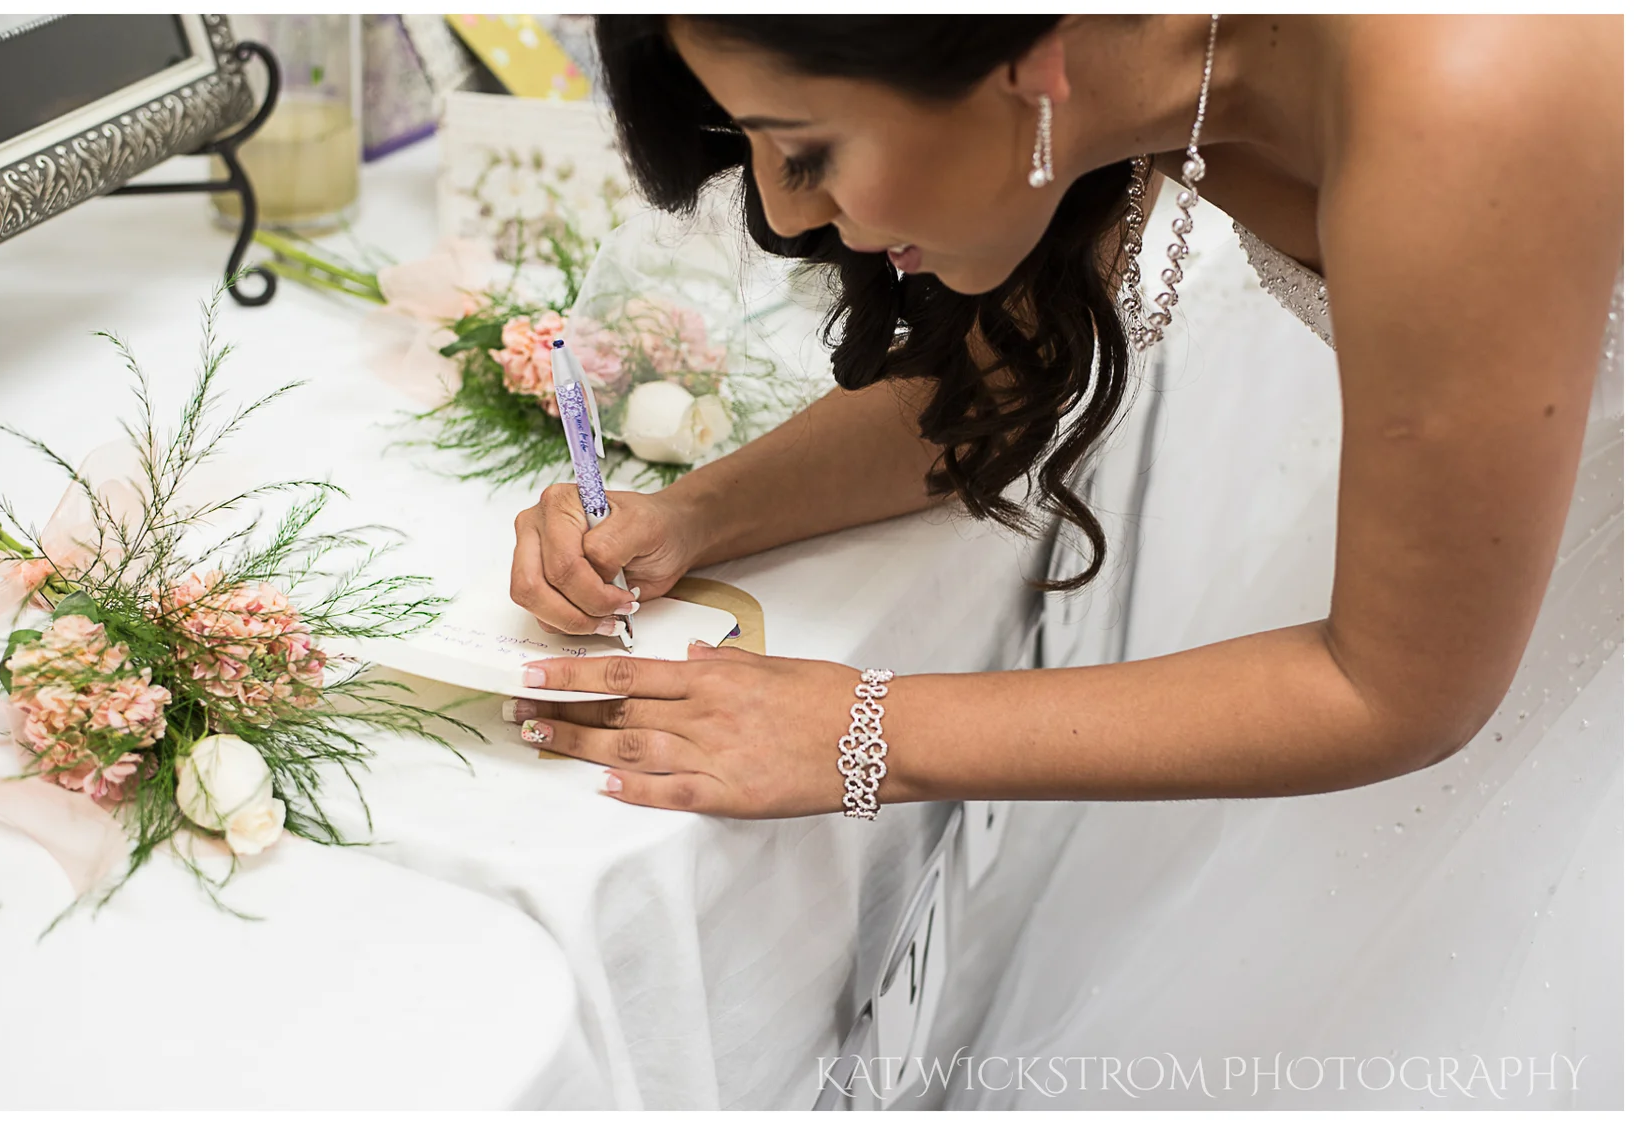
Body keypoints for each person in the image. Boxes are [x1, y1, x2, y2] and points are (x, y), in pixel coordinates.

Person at [508, 15, 1619, 1106]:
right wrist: (691, 518)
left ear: (1017, 58)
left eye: (806, 148)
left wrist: (859, 730)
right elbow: (993, 388)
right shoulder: (1116, 68)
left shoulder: (1467, 83)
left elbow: (1398, 688)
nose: (788, 209)